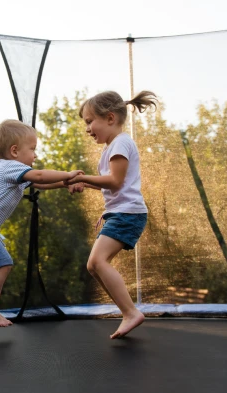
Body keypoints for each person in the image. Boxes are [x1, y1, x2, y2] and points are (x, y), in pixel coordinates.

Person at [0, 119, 84, 328]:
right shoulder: (9, 167)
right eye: (32, 149)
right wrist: (69, 174)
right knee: (3, 263)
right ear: (14, 151)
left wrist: (65, 183)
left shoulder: (12, 171)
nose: (36, 155)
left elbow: (41, 182)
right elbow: (41, 175)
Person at [65, 90, 157, 339]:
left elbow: (115, 181)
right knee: (94, 266)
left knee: (97, 262)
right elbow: (113, 184)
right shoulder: (110, 148)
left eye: (89, 121)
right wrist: (86, 183)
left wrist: (83, 178)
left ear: (109, 117)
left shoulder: (121, 143)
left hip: (128, 215)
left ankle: (130, 313)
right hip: (120, 214)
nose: (87, 129)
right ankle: (128, 312)